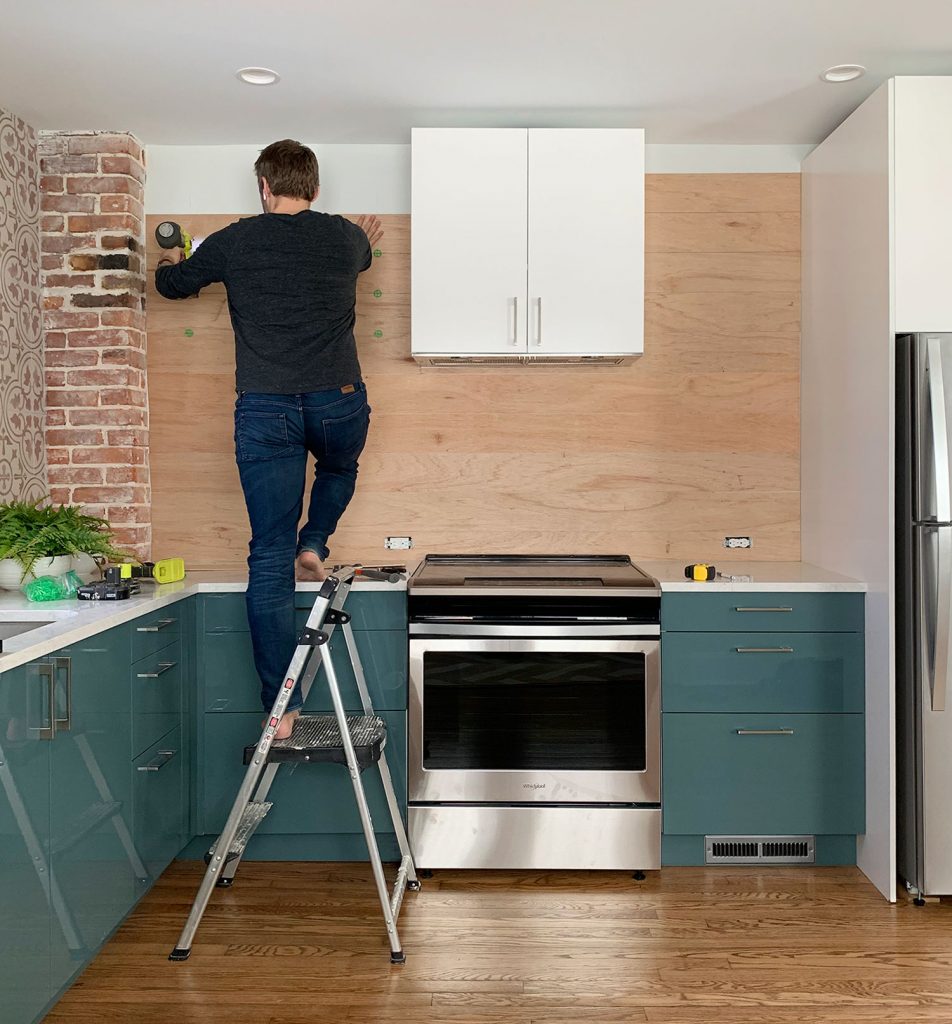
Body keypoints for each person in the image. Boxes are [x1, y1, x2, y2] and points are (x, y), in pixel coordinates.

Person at [155, 139, 382, 739]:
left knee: (267, 557)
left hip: (265, 409)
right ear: (313, 187)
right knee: (339, 469)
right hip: (336, 399)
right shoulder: (344, 237)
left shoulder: (236, 240)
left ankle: (281, 711)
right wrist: (361, 240)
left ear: (263, 186)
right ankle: (318, 541)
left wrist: (169, 263)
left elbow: (173, 287)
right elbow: (363, 254)